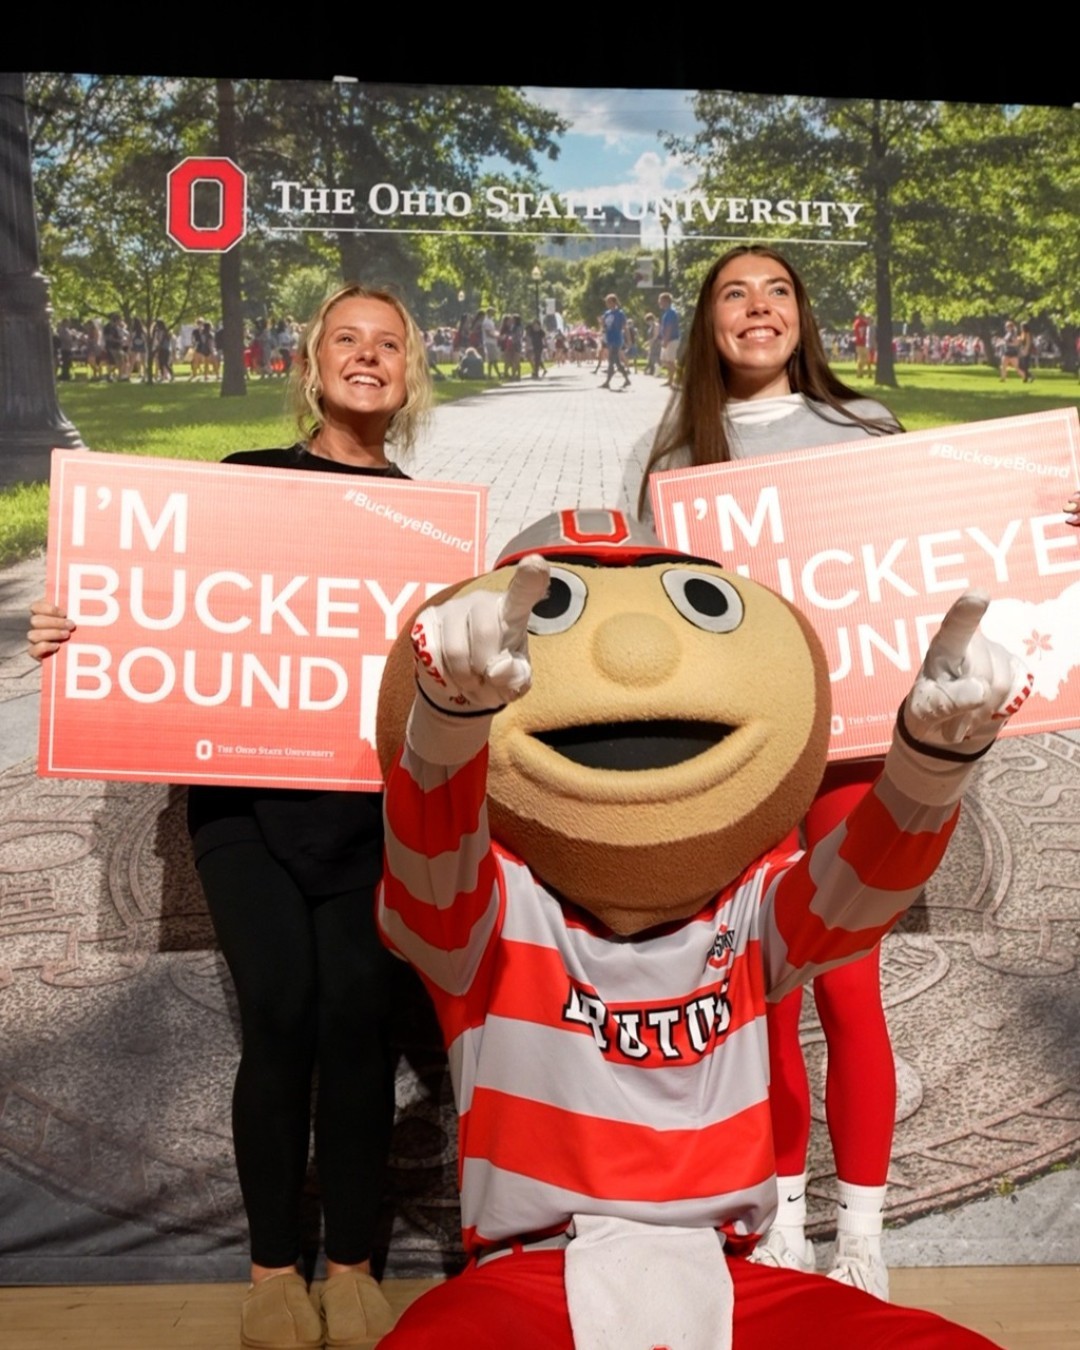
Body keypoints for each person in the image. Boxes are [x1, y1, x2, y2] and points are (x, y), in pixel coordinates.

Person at [29, 284, 433, 1350]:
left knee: (359, 1017)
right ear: (313, 362)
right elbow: (156, 607)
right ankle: (271, 1272)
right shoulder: (244, 485)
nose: (366, 356)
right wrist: (73, 629)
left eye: (387, 344)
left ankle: (350, 1265)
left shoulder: (428, 526)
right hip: (242, 811)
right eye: (347, 339)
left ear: (409, 375)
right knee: (284, 1012)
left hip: (367, 819)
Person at [639, 245, 902, 1300]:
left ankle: (867, 1237)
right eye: (735, 294)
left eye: (778, 290)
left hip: (852, 741)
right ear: (709, 324)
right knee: (765, 984)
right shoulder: (671, 454)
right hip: (740, 751)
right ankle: (784, 1214)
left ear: (805, 315)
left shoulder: (868, 427)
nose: (758, 309)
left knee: (847, 984)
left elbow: (929, 556)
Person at [599, 292, 630, 389]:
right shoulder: (607, 313)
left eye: (609, 301)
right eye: (606, 302)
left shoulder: (620, 313)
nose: (607, 304)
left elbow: (625, 327)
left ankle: (608, 382)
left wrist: (628, 339)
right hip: (609, 338)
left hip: (617, 339)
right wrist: (601, 324)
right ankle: (626, 379)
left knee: (613, 360)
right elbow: (604, 326)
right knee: (614, 361)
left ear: (614, 302)